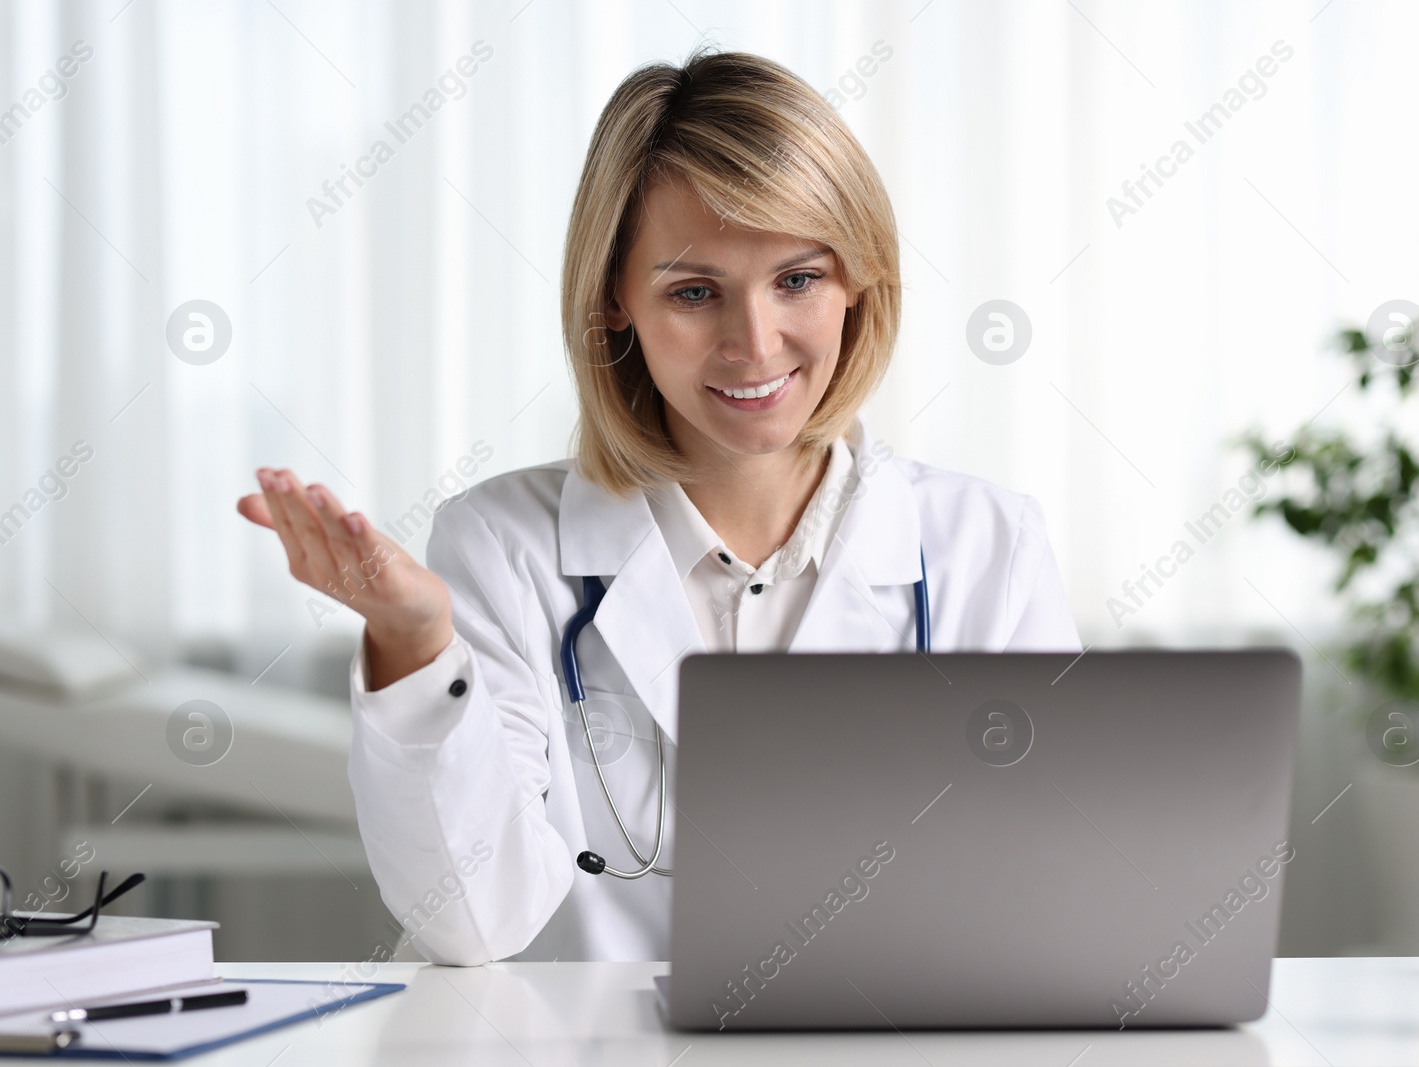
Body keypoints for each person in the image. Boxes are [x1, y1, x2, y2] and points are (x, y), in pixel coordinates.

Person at [238, 49, 1081, 966]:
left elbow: (1048, 896)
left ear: (857, 280)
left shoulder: (986, 545)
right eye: (693, 292)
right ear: (613, 301)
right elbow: (471, 921)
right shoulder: (499, 546)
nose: (754, 344)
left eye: (796, 279)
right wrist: (412, 646)